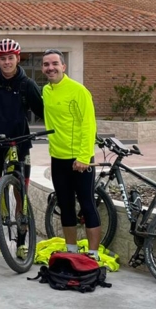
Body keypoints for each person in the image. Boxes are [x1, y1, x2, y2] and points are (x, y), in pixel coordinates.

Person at [0, 38, 43, 260]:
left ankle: (22, 242)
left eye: (10, 58)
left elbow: (45, 111)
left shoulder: (27, 84)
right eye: (3, 58)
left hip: (20, 143)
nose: (7, 62)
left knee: (21, 193)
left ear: (18, 58)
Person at [41, 49, 101, 259]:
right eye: (46, 64)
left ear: (63, 66)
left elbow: (88, 125)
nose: (50, 68)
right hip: (58, 158)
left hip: (79, 160)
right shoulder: (46, 91)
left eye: (54, 64)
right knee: (65, 205)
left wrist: (84, 157)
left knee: (87, 204)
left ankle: (93, 254)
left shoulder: (78, 91)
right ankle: (71, 251)